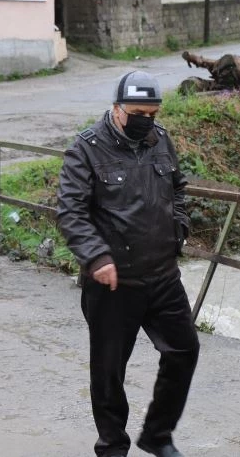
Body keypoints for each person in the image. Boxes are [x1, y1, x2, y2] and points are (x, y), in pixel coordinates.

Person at [57, 70, 199, 457]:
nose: (146, 121)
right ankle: (112, 447)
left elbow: (178, 190)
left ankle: (157, 434)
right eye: (138, 113)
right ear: (117, 109)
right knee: (109, 371)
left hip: (163, 276)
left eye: (152, 114)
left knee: (184, 350)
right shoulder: (86, 148)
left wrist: (179, 229)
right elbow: (71, 211)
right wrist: (97, 257)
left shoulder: (161, 140)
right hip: (113, 283)